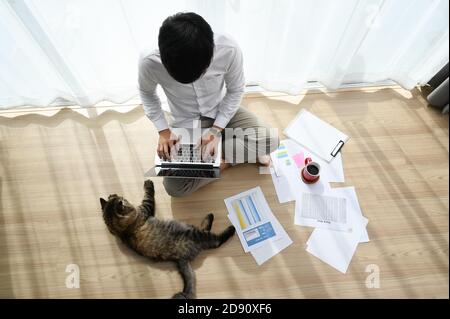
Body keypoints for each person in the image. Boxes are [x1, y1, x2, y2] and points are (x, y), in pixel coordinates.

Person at [139, 12, 278, 197]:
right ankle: (229, 158)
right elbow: (146, 93)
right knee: (174, 188)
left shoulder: (228, 48)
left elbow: (235, 90)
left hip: (222, 111)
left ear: (211, 52)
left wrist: (215, 131)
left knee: (272, 139)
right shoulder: (149, 61)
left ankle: (219, 156)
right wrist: (163, 131)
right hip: (185, 120)